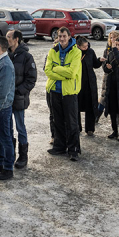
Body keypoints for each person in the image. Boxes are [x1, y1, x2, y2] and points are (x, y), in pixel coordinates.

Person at [45, 27, 82, 160]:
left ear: (69, 36)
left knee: (72, 122)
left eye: (64, 36)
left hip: (69, 92)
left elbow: (72, 73)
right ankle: (59, 147)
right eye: (59, 36)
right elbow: (47, 70)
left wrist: (57, 69)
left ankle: (73, 150)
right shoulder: (53, 51)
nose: (61, 39)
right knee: (57, 120)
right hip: (55, 91)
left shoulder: (76, 52)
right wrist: (64, 74)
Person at [6, 30, 37, 169]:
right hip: (6, 99)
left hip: (18, 98)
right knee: (8, 128)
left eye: (8, 37)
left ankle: (23, 156)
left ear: (16, 39)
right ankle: (10, 155)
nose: (6, 40)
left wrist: (18, 91)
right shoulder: (6, 54)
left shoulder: (26, 57)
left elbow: (31, 79)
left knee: (20, 127)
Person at [0, 36, 16, 178]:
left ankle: (8, 167)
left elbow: (3, 91)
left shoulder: (5, 65)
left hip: (1, 108)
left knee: (5, 137)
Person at [76, 37, 101, 136]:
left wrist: (100, 60)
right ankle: (77, 127)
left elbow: (95, 64)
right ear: (78, 46)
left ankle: (90, 128)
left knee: (90, 105)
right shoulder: (75, 52)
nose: (86, 47)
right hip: (78, 83)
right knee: (76, 106)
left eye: (87, 45)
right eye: (84, 46)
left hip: (90, 83)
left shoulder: (90, 51)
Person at [97, 31, 119, 118]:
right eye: (111, 37)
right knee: (104, 97)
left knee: (116, 99)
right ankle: (97, 115)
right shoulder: (107, 50)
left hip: (118, 78)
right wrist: (107, 67)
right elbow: (104, 65)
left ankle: (117, 119)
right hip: (107, 77)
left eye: (114, 37)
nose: (112, 39)